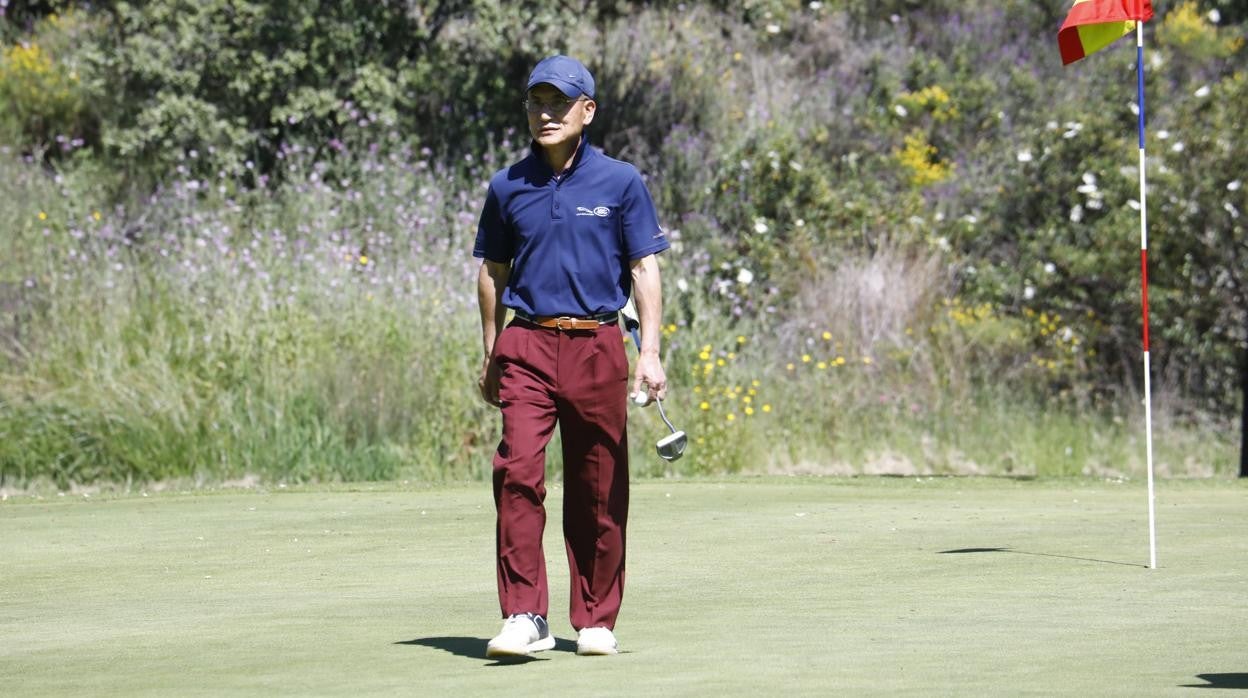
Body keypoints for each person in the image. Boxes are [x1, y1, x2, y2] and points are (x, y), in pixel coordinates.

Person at [473, 54, 669, 658]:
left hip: (598, 343)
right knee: (517, 474)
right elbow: (492, 269)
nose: (546, 113)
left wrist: (652, 353)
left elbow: (644, 267)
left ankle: (595, 619)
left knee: (599, 486)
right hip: (527, 342)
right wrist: (491, 350)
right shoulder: (508, 185)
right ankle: (526, 616)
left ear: (587, 111)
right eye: (537, 102)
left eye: (560, 103)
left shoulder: (619, 181)